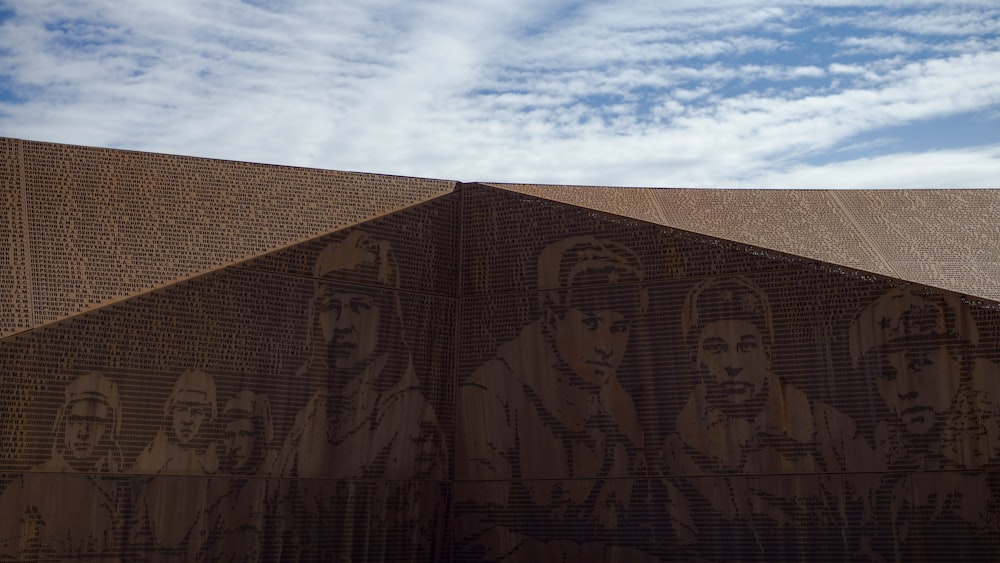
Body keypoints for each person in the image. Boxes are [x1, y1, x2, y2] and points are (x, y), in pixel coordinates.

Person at [455, 235, 653, 562]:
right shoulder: (489, 394)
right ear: (551, 318)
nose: (605, 345)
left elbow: (645, 523)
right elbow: (477, 530)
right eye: (590, 323)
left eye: (619, 328)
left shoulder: (622, 411)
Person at [658, 276, 867, 561]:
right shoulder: (677, 453)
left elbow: (872, 536)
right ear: (694, 358)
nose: (733, 365)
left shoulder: (832, 430)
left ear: (768, 353)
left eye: (746, 347)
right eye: (716, 348)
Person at [273, 229, 447, 560]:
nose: (341, 324)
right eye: (330, 306)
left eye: (359, 306)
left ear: (386, 317)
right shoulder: (309, 413)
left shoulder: (410, 420)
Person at [849, 286, 1000, 560]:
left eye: (921, 363)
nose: (906, 391)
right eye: (887, 374)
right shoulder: (881, 480)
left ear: (962, 363)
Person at [0, 372, 124, 560]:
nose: (83, 432)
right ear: (63, 423)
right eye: (75, 420)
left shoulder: (117, 493)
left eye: (95, 422)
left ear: (110, 430)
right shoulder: (26, 485)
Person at [130, 369, 222, 561]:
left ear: (208, 417)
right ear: (171, 410)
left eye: (196, 412)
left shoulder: (214, 472)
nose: (187, 420)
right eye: (181, 409)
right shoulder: (148, 463)